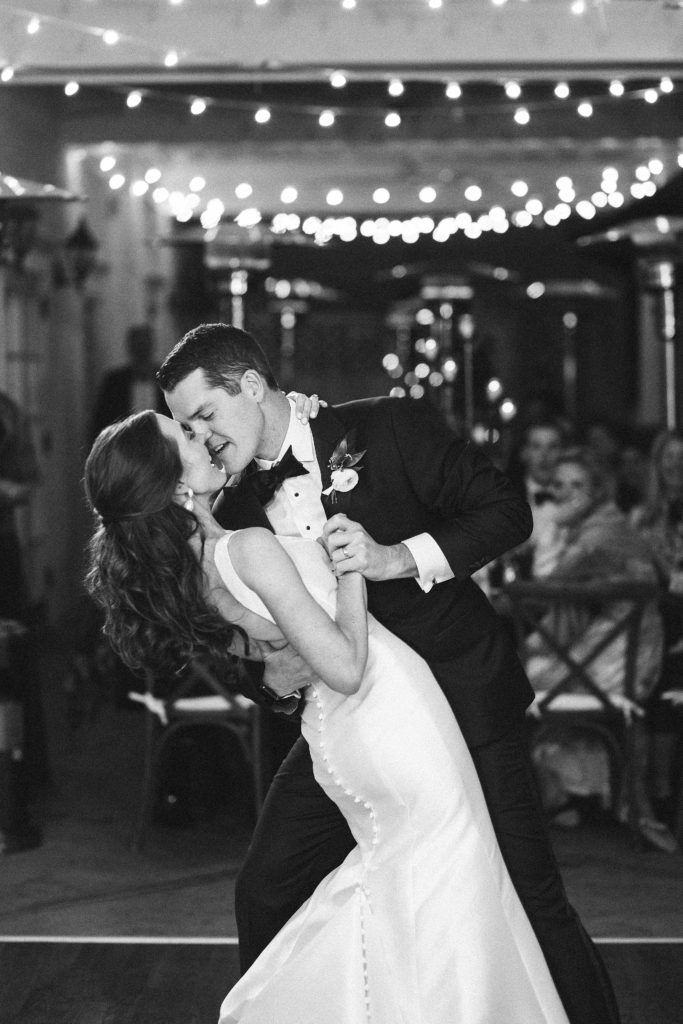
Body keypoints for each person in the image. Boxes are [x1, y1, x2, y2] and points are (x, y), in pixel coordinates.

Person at [157, 323, 621, 1024]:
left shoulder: (389, 426)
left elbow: (505, 513)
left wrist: (395, 558)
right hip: (350, 728)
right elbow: (256, 645)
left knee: (529, 893)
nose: (202, 436)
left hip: (462, 702)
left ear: (250, 386)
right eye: (186, 427)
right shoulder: (235, 511)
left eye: (204, 416)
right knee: (265, 887)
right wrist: (272, 676)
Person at [84, 409, 571, 1023]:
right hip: (386, 719)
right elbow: (343, 666)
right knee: (450, 880)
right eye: (183, 432)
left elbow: (282, 654)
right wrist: (353, 568)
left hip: (353, 729)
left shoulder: (198, 567)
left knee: (409, 886)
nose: (199, 433)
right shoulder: (246, 544)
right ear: (174, 483)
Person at [524, 448, 675, 851]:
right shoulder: (602, 525)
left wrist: (550, 530)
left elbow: (542, 590)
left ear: (596, 491)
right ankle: (564, 794)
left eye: (578, 486)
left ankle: (527, 805)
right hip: (613, 649)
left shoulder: (598, 536)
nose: (565, 494)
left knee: (506, 682)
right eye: (557, 486)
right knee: (522, 668)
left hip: (624, 659)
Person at [90, 323, 167, 439]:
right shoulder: (115, 383)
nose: (142, 351)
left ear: (152, 346)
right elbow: (101, 422)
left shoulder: (167, 380)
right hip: (123, 449)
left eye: (144, 346)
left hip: (162, 450)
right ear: (131, 348)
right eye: (138, 346)